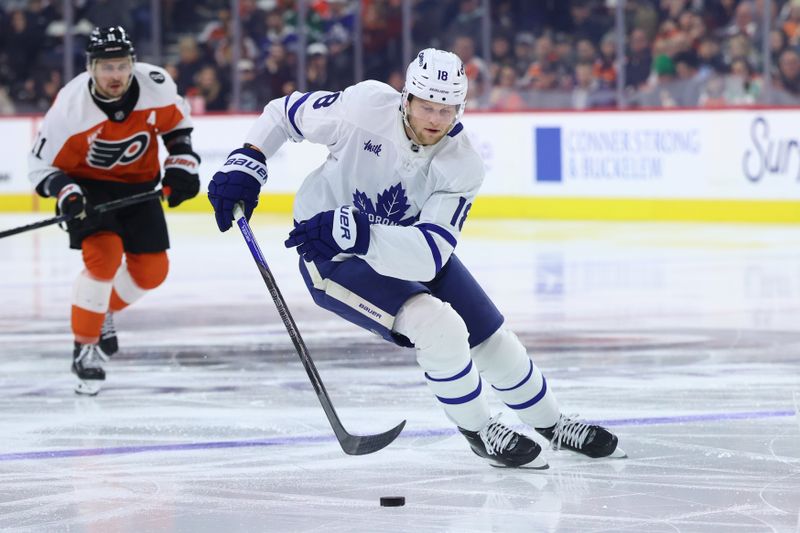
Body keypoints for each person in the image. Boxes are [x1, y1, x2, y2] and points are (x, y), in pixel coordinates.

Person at [207, 48, 625, 468]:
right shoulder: (363, 106)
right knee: (437, 325)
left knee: (490, 336)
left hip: (403, 246)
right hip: (329, 254)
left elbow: (428, 257)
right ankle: (480, 429)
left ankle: (552, 423)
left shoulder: (462, 164)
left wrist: (362, 232)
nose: (435, 120)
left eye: (447, 110)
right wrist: (249, 159)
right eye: (426, 106)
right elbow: (284, 113)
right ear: (405, 97)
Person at [28, 27, 201, 395]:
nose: (115, 75)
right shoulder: (70, 108)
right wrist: (68, 194)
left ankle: (100, 308)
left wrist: (182, 164)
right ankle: (85, 346)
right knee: (103, 258)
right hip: (88, 189)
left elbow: (177, 126)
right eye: (107, 67)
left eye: (122, 66)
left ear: (132, 64)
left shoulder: (156, 84)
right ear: (91, 68)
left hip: (139, 186)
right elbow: (40, 168)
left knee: (153, 271)